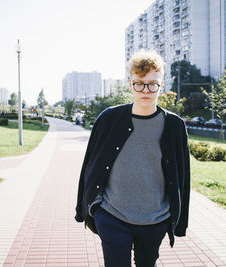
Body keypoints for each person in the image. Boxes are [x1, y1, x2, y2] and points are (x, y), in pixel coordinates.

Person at [75, 49, 190, 267]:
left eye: (152, 84)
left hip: (156, 219)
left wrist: (179, 221)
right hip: (112, 215)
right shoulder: (109, 118)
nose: (146, 90)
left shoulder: (174, 125)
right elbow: (90, 164)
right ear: (130, 84)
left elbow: (182, 176)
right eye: (139, 83)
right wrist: (90, 207)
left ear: (161, 85)